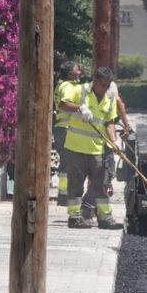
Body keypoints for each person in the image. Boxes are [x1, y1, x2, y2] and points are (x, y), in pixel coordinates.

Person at [58, 66, 133, 230]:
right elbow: (62, 104)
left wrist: (113, 141)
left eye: (107, 85)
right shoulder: (80, 91)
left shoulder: (110, 98)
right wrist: (79, 107)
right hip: (76, 147)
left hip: (97, 149)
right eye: (102, 84)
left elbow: (109, 122)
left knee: (101, 184)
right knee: (76, 184)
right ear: (95, 81)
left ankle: (105, 218)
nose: (104, 88)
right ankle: (75, 217)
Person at [52, 61, 84, 198]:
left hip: (63, 128)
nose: (80, 72)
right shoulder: (67, 87)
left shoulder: (64, 85)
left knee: (68, 160)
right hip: (66, 129)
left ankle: (65, 192)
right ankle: (65, 193)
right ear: (70, 73)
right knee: (69, 161)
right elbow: (63, 104)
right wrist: (80, 108)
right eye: (77, 70)